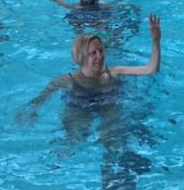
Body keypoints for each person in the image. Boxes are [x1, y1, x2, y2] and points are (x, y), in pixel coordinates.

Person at [17, 14, 161, 124]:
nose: (100, 56)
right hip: (78, 105)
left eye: (101, 50)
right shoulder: (66, 80)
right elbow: (39, 100)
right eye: (93, 53)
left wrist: (155, 41)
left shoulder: (113, 72)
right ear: (81, 57)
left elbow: (151, 69)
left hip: (109, 102)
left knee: (113, 136)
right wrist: (30, 113)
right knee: (74, 137)